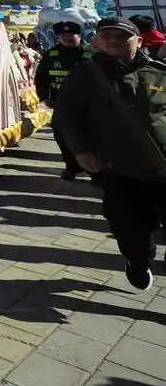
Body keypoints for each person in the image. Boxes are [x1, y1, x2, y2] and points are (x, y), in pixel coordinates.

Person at [54, 17, 166, 291]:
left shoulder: (160, 72)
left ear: (139, 41)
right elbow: (66, 116)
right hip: (119, 166)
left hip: (163, 164)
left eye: (121, 36)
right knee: (129, 224)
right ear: (97, 41)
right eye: (107, 36)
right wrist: (80, 152)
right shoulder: (85, 75)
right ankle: (138, 260)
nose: (113, 41)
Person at [34, 20, 89, 179]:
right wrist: (44, 96)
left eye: (71, 34)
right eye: (63, 35)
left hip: (88, 105)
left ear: (79, 36)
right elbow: (41, 78)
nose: (67, 38)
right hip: (62, 104)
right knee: (62, 136)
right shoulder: (51, 55)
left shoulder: (90, 55)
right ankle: (72, 167)